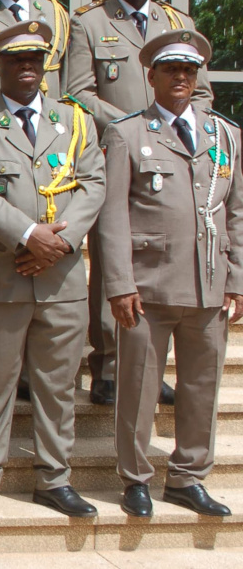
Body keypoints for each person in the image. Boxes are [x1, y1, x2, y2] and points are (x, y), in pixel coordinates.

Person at [0, 21, 104, 520]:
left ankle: (54, 478)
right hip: (1, 278)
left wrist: (57, 241)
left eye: (35, 60)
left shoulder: (75, 121)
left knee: (58, 387)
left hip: (61, 281)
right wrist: (28, 235)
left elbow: (93, 184)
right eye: (16, 60)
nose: (27, 68)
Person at [98, 29, 242, 519]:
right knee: (138, 387)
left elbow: (237, 214)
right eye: (171, 70)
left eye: (189, 71)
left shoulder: (225, 136)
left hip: (208, 284)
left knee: (202, 389)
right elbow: (112, 215)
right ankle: (135, 477)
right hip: (148, 285)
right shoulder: (127, 133)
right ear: (151, 75)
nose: (181, 78)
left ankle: (188, 476)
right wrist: (118, 283)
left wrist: (238, 280)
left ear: (197, 77)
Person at [66, 0, 207, 407]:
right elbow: (79, 92)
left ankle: (149, 365)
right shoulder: (89, 22)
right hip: (118, 154)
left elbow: (201, 94)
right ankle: (106, 365)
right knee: (112, 258)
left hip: (175, 164)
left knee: (163, 259)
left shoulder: (177, 23)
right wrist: (135, 125)